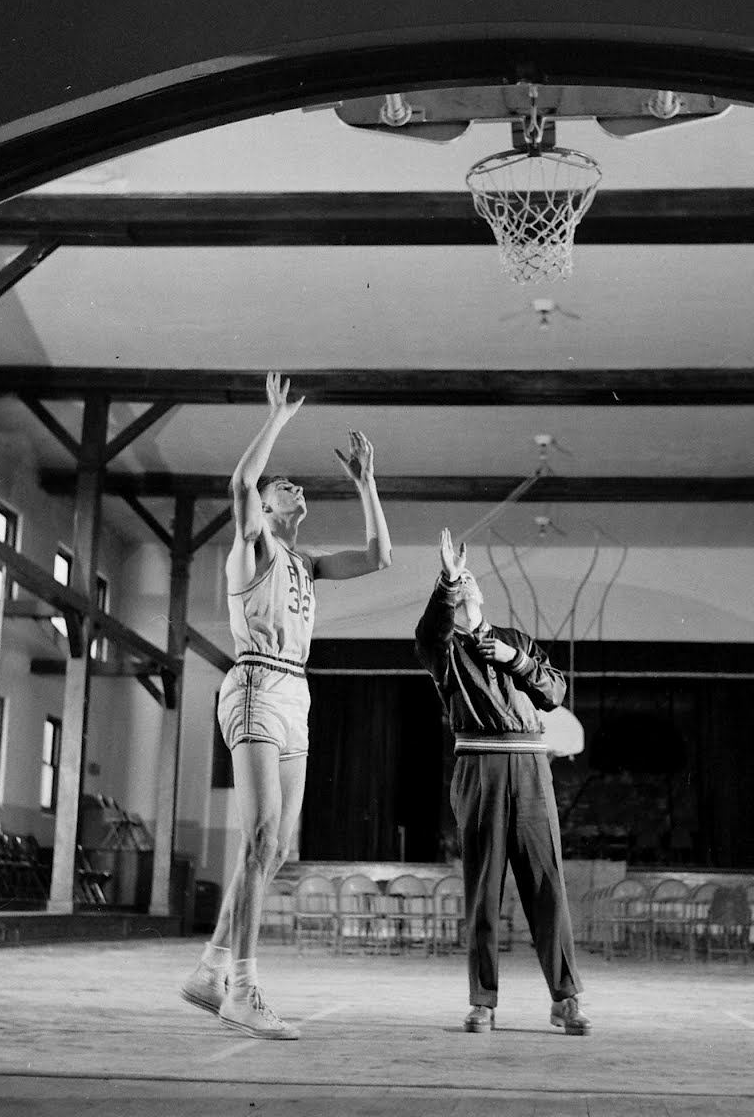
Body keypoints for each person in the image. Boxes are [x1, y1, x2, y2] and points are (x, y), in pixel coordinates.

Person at [180, 371, 392, 1039]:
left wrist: (366, 483)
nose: (294, 487)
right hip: (254, 684)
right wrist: (275, 420)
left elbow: (380, 556)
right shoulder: (255, 547)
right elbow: (241, 485)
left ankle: (210, 967)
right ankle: (242, 988)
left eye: (296, 484)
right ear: (268, 508)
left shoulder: (306, 563)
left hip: (294, 690)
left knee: (273, 850)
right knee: (262, 836)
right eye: (285, 485)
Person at [414, 528, 591, 1036]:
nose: (463, 583)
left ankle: (565, 999)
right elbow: (430, 631)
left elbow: (555, 691)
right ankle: (483, 1002)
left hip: (532, 768)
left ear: (484, 594)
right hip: (480, 767)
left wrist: (517, 661)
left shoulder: (517, 641)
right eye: (455, 583)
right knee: (483, 890)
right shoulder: (442, 648)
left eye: (468, 580)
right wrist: (447, 581)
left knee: (547, 885)